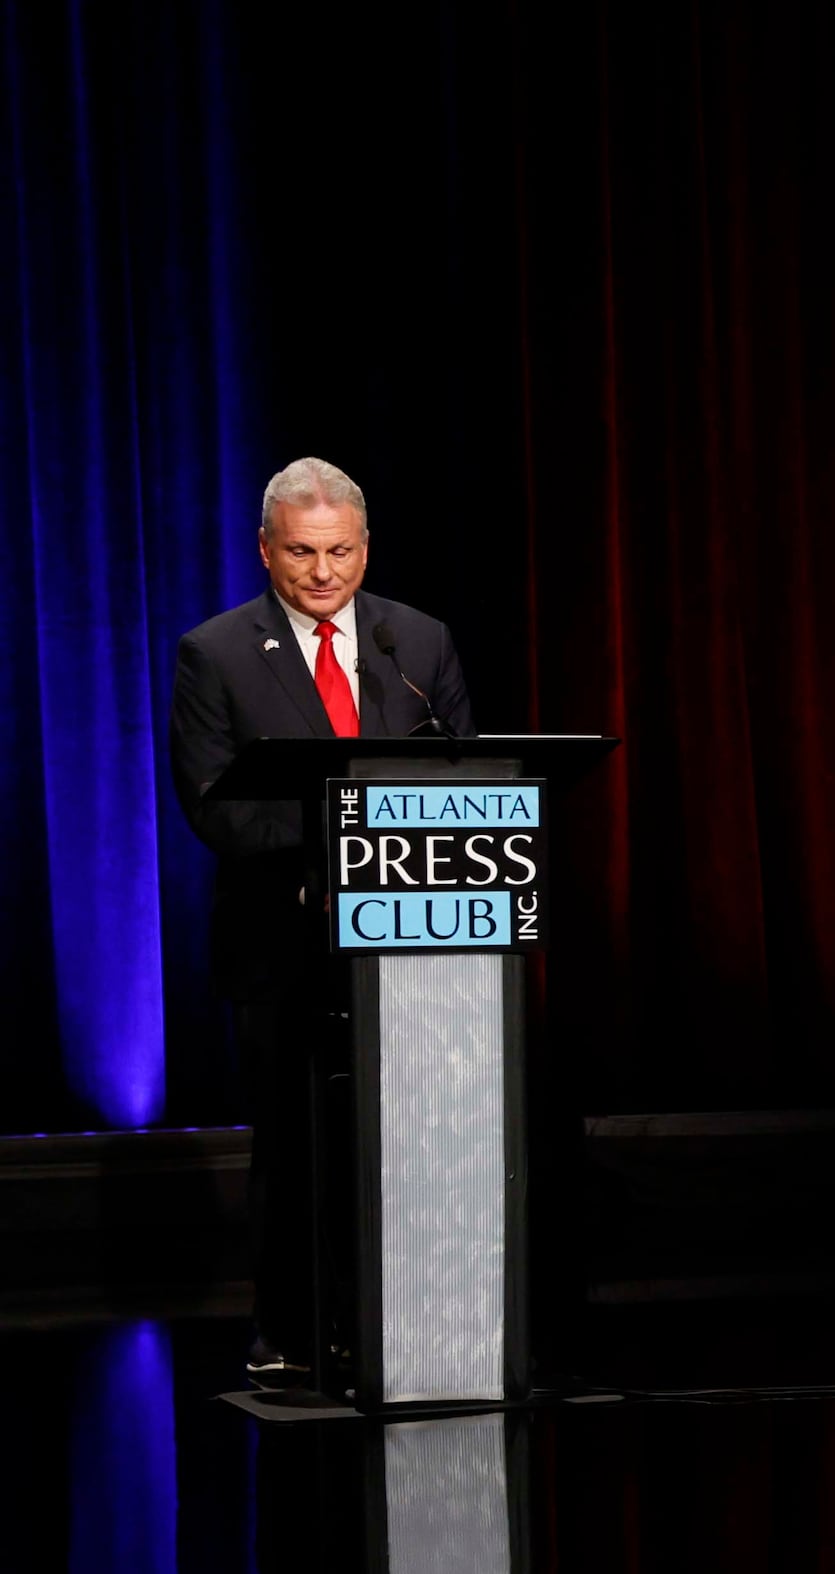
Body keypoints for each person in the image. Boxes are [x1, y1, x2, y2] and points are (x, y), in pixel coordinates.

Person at [167, 457, 478, 1384]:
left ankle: (424, 1315)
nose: (324, 573)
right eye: (302, 552)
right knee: (295, 1141)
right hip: (283, 942)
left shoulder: (415, 644)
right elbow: (215, 808)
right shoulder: (215, 653)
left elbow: (467, 780)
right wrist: (338, 842)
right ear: (267, 551)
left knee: (413, 1135)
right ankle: (289, 1328)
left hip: (415, 943)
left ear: (366, 546)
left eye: (341, 551)